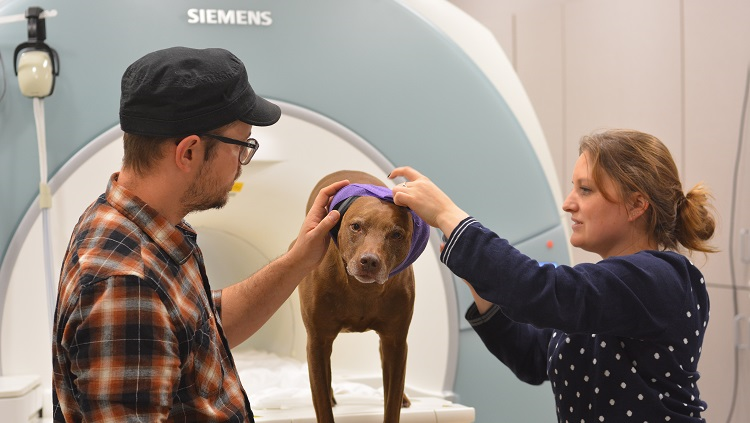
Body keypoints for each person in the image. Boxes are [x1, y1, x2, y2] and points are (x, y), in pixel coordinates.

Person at [52, 46, 348, 422]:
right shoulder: (126, 283)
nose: (243, 163)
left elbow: (200, 331)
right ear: (189, 152)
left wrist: (299, 260)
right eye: (243, 146)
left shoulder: (154, 230)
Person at [389, 129, 717, 423]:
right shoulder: (608, 290)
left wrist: (449, 215)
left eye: (585, 190)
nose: (567, 204)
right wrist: (481, 282)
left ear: (636, 205)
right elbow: (533, 356)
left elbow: (543, 290)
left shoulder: (661, 278)